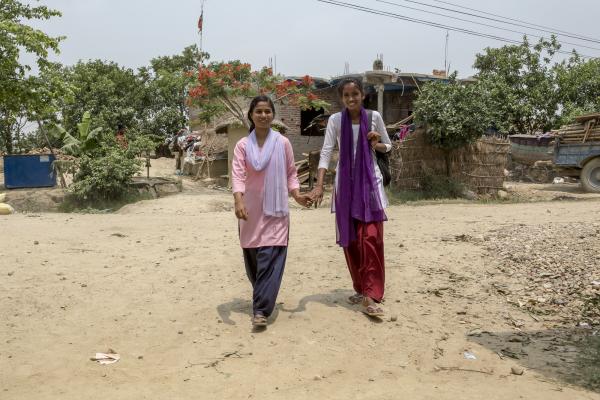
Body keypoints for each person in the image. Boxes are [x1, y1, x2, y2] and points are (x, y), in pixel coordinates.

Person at [310, 78, 391, 317]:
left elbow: (389, 146)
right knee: (352, 242)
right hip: (345, 187)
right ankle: (360, 286)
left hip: (370, 186)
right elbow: (326, 152)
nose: (351, 99)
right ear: (341, 99)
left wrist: (377, 144)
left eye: (355, 94)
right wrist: (320, 184)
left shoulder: (374, 117)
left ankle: (371, 294)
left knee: (371, 239)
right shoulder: (335, 121)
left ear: (363, 95)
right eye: (346, 95)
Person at [231, 95, 312, 327]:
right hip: (250, 210)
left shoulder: (282, 143)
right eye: (259, 112)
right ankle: (262, 294)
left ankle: (261, 310)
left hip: (276, 211)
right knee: (254, 258)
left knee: (270, 257)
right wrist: (238, 201)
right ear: (251, 115)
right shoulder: (242, 146)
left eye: (268, 111)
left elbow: (290, 173)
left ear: (273, 115)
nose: (264, 115)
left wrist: (297, 195)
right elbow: (237, 175)